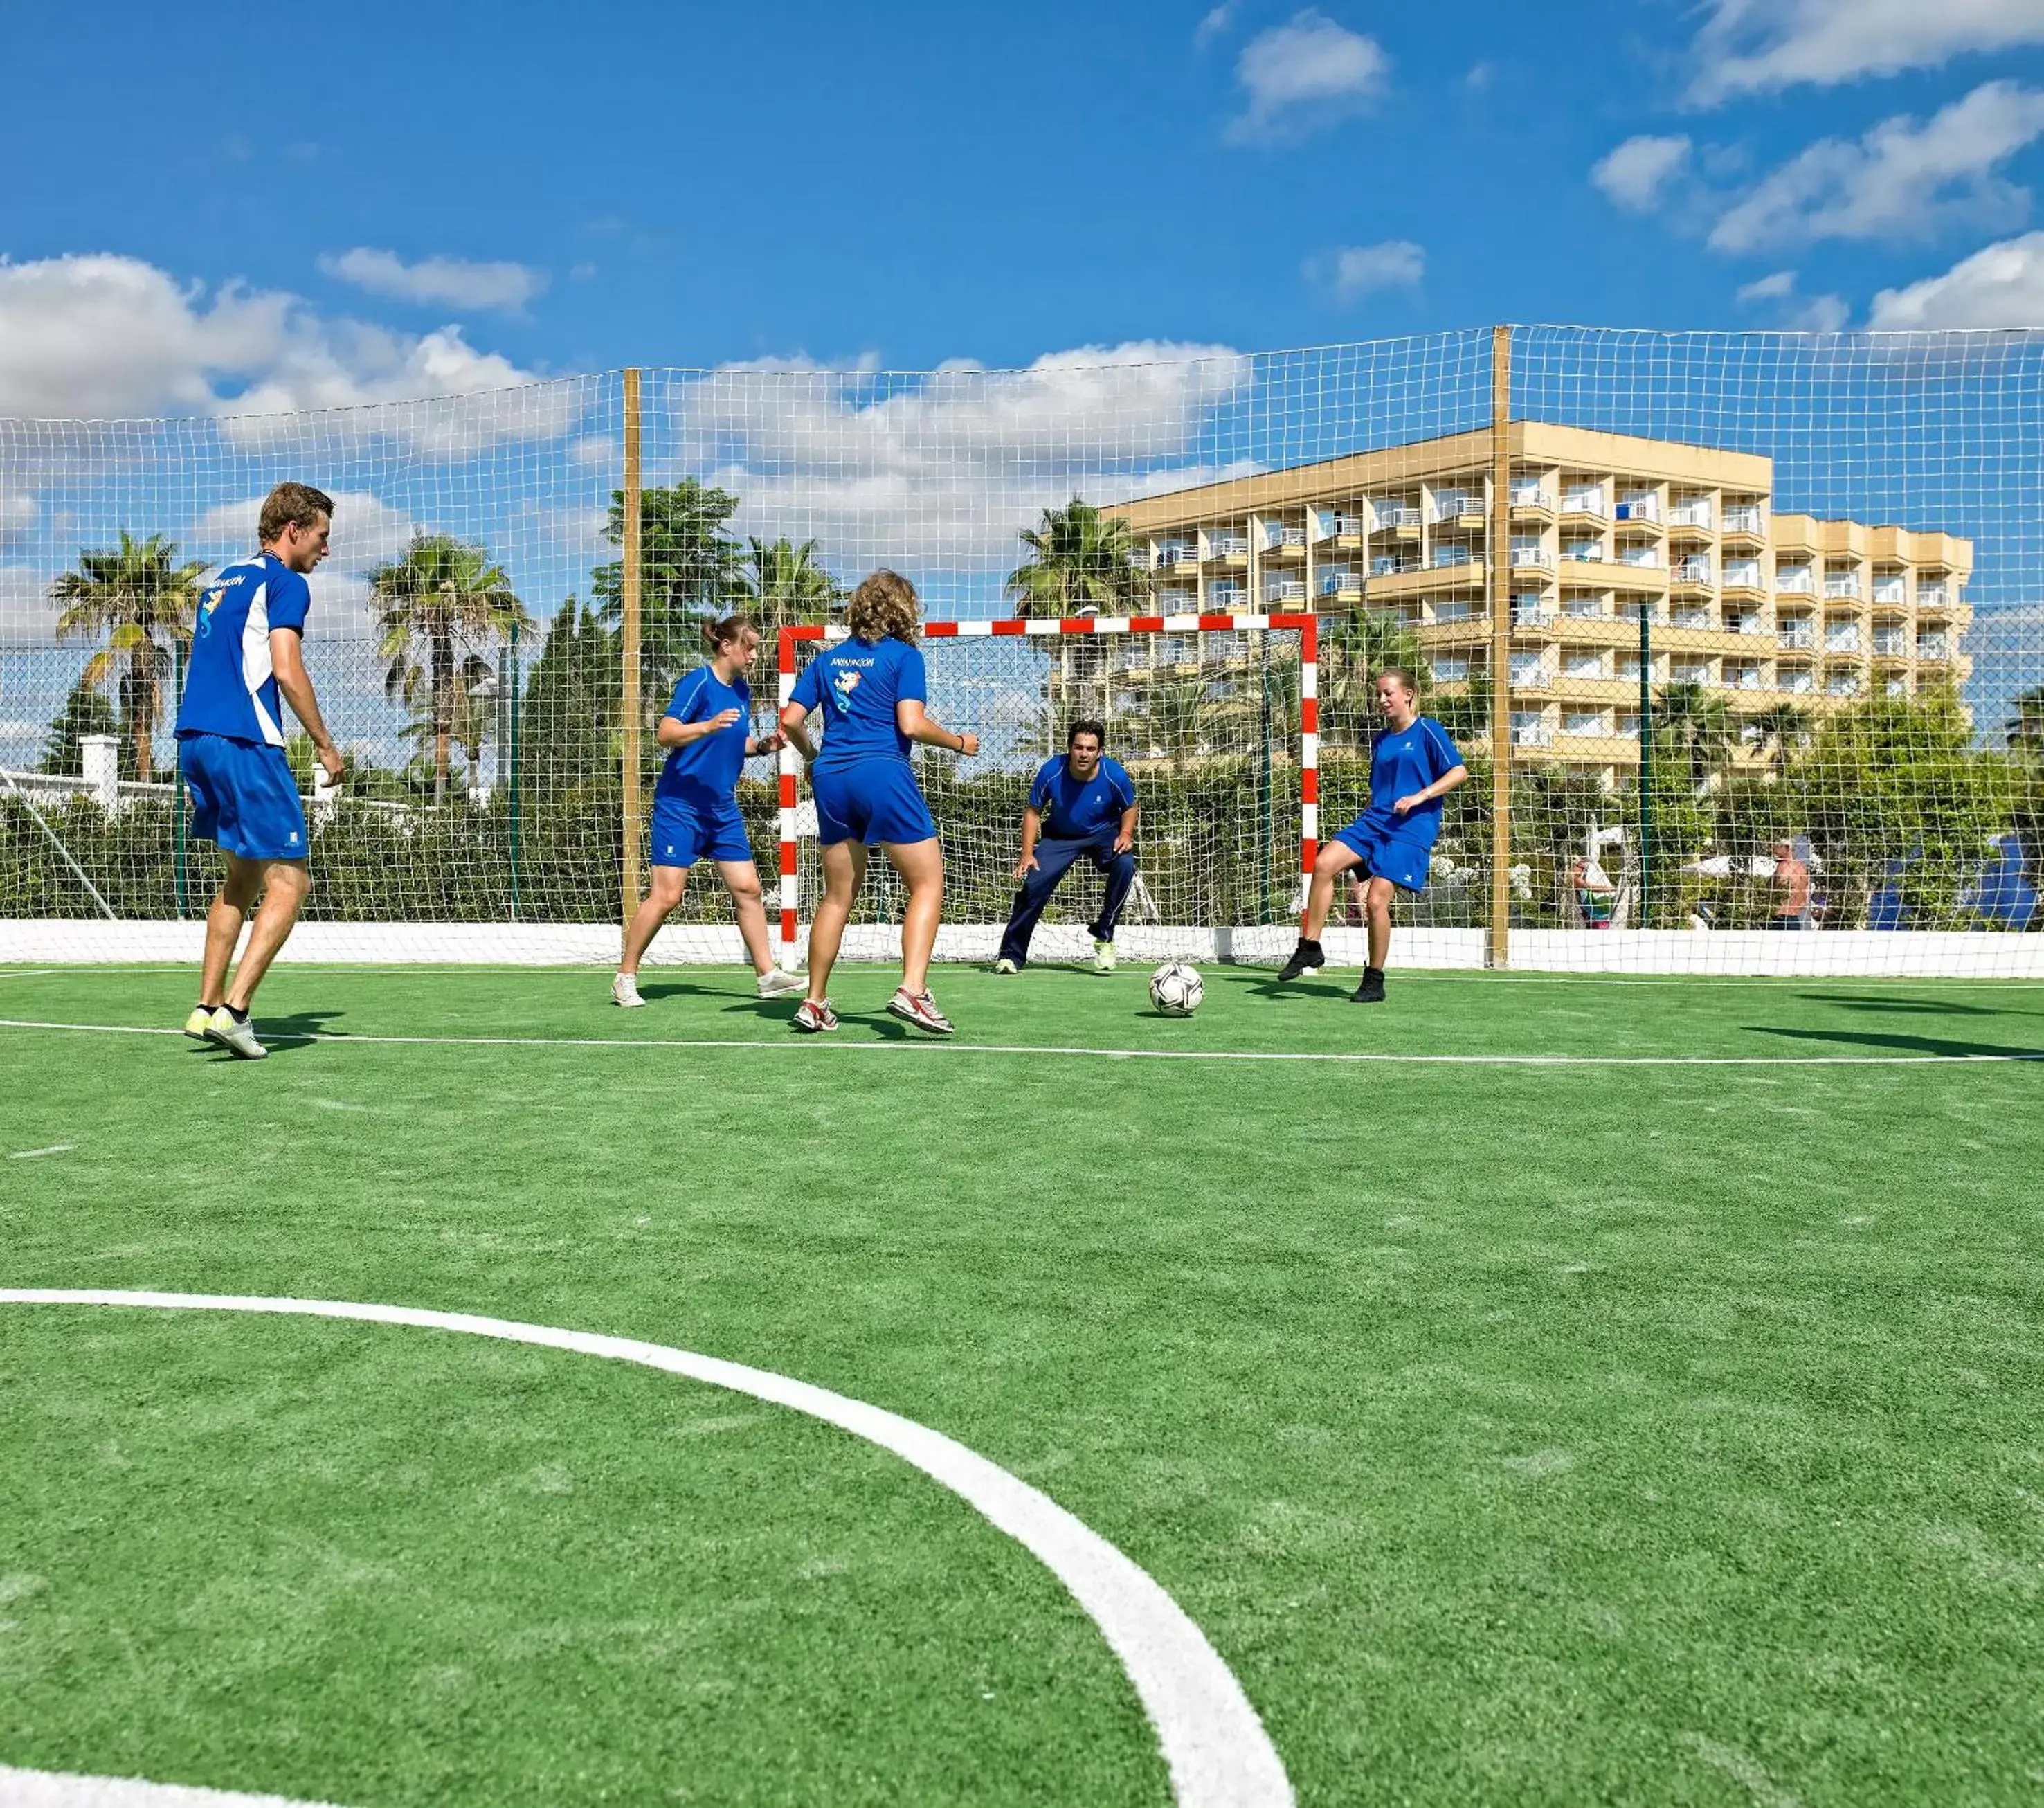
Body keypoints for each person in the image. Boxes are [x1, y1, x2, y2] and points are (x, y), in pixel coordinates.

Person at [174, 482, 344, 1059]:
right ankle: (236, 1012)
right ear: (293, 530)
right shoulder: (285, 581)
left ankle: (205, 1006)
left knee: (242, 879)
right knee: (292, 881)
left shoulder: (223, 579)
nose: (326, 549)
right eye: (322, 536)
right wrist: (325, 745)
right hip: (246, 742)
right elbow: (286, 667)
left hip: (196, 741)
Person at [779, 570, 979, 1035]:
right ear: (903, 609)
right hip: (881, 773)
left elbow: (789, 721)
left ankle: (814, 1001)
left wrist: (812, 757)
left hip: (831, 778)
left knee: (837, 895)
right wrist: (957, 742)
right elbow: (911, 724)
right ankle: (912, 989)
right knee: (927, 884)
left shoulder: (825, 662)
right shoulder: (903, 657)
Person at [612, 613, 799, 1007]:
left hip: (722, 809)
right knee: (667, 897)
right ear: (726, 646)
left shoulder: (743, 692)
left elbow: (736, 742)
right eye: (748, 647)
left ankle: (767, 976)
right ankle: (625, 976)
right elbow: (666, 733)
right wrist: (707, 726)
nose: (752, 656)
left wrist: (762, 746)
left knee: (748, 888)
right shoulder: (697, 682)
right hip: (680, 806)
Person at [1276, 667, 1467, 1002]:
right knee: (1324, 863)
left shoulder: (1428, 731)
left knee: (1376, 900)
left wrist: (1420, 797)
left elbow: (1459, 772)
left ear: (1408, 694)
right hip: (1374, 821)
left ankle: (1374, 980)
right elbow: (1379, 788)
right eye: (1378, 694)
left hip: (1411, 828)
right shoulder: (1380, 740)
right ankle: (1310, 946)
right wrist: (1367, 820)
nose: (1381, 700)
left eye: (1388, 693)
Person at [993, 720, 1139, 975]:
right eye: (1078, 747)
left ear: (1100, 752)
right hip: (1059, 838)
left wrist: (1126, 833)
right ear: (1069, 748)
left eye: (1090, 749)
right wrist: (1027, 854)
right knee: (1033, 885)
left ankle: (1105, 935)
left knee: (1125, 863)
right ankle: (1010, 956)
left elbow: (1130, 807)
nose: (1084, 754)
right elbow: (1033, 812)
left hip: (1103, 833)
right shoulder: (1052, 770)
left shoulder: (1114, 774)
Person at [1769, 838, 1811, 929]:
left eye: (1776, 848)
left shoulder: (1783, 866)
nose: (1774, 852)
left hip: (1780, 917)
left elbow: (1779, 886)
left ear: (1786, 848)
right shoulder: (1802, 868)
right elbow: (1805, 898)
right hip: (1795, 917)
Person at [1572, 857, 1617, 928]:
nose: (1582, 869)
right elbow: (1591, 887)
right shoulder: (1574, 877)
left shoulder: (1580, 877)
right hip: (1587, 907)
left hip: (1587, 909)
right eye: (1579, 866)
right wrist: (1610, 889)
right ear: (1573, 867)